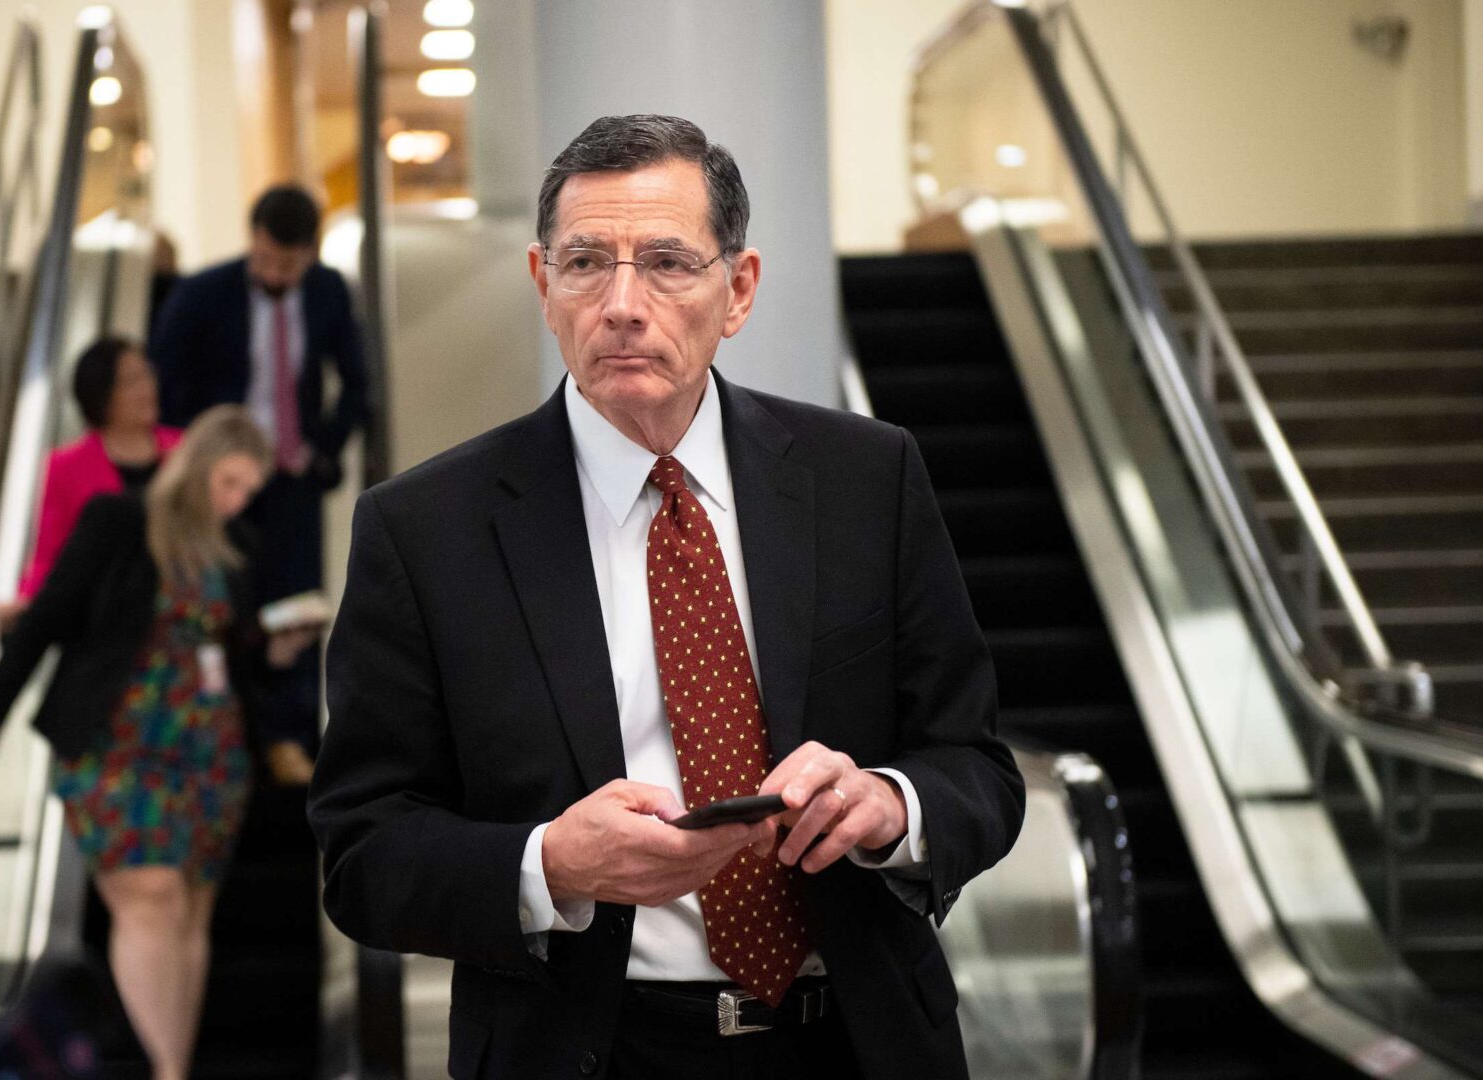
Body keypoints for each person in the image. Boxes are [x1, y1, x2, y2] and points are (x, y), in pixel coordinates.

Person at [307, 115, 1025, 1079]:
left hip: (858, 1040)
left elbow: (977, 765)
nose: (622, 304)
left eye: (668, 263)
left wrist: (892, 806)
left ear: (739, 289)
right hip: (585, 1048)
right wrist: (551, 862)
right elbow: (362, 854)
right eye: (587, 263)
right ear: (541, 285)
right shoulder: (427, 529)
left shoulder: (867, 478)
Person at [0, 407, 320, 1080]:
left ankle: (176, 1065)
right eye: (229, 482)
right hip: (116, 745)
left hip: (210, 753)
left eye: (248, 490)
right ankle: (166, 1066)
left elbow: (232, 654)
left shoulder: (237, 547)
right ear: (199, 463)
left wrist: (274, 652)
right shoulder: (118, 521)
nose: (235, 501)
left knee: (191, 911)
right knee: (148, 895)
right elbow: (45, 620)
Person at [148, 184, 368, 783]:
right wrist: (198, 456)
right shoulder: (203, 293)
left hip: (293, 478)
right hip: (220, 480)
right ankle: (233, 731)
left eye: (289, 263)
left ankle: (294, 740)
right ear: (253, 241)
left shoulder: (326, 291)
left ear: (309, 253)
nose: (276, 272)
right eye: (267, 258)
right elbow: (166, 385)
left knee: (297, 608)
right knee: (225, 600)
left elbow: (355, 381)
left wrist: (325, 451)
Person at [0, 336, 184, 632]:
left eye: (146, 374)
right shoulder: (64, 466)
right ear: (102, 395)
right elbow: (51, 548)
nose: (146, 389)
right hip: (102, 619)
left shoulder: (184, 451)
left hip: (176, 611)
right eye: (130, 381)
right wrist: (28, 603)